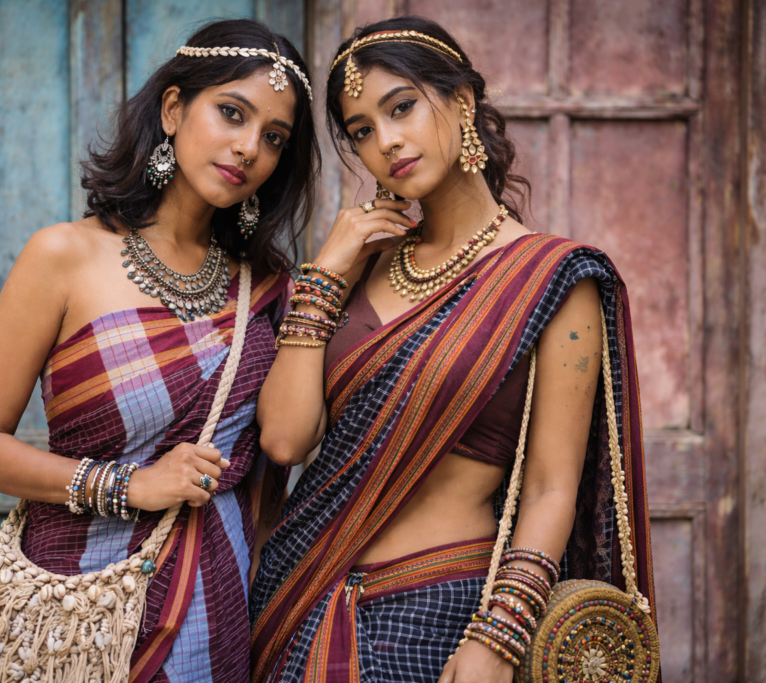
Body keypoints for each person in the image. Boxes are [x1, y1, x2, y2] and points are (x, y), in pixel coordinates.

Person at [250, 16, 656, 683]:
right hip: (301, 599)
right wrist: (323, 278)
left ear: (462, 100)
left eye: (401, 107)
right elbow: (286, 440)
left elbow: (552, 487)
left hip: (438, 611)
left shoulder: (551, 278)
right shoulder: (362, 266)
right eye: (361, 130)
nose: (386, 141)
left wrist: (499, 635)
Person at [0, 19, 318, 682]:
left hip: (216, 610)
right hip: (76, 610)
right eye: (232, 113)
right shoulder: (64, 256)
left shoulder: (265, 287)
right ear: (173, 109)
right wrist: (130, 484)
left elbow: (283, 449)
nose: (248, 148)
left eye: (274, 138)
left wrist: (332, 272)